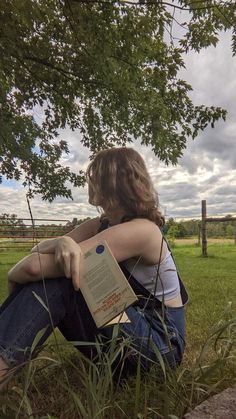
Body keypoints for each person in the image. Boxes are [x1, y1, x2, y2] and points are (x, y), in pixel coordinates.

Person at [0, 147, 187, 388]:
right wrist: (61, 242)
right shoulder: (101, 224)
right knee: (66, 266)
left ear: (112, 181)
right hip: (126, 334)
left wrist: (13, 274)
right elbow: (39, 253)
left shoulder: (142, 231)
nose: (90, 181)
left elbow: (35, 268)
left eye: (94, 174)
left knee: (63, 276)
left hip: (159, 349)